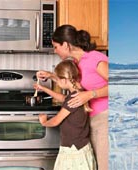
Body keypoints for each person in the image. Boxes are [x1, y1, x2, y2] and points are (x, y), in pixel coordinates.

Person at [34, 24, 109, 170]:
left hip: (103, 118)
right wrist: (52, 77)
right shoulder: (76, 63)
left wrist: (90, 94)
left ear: (66, 45)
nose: (55, 51)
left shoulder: (95, 59)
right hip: (88, 120)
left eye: (56, 47)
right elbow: (72, 84)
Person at [39, 60, 96, 170]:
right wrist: (43, 89)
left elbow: (56, 120)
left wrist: (44, 122)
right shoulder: (79, 93)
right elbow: (62, 98)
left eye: (58, 80)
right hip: (81, 147)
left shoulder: (73, 99)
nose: (57, 83)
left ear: (65, 80)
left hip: (73, 149)